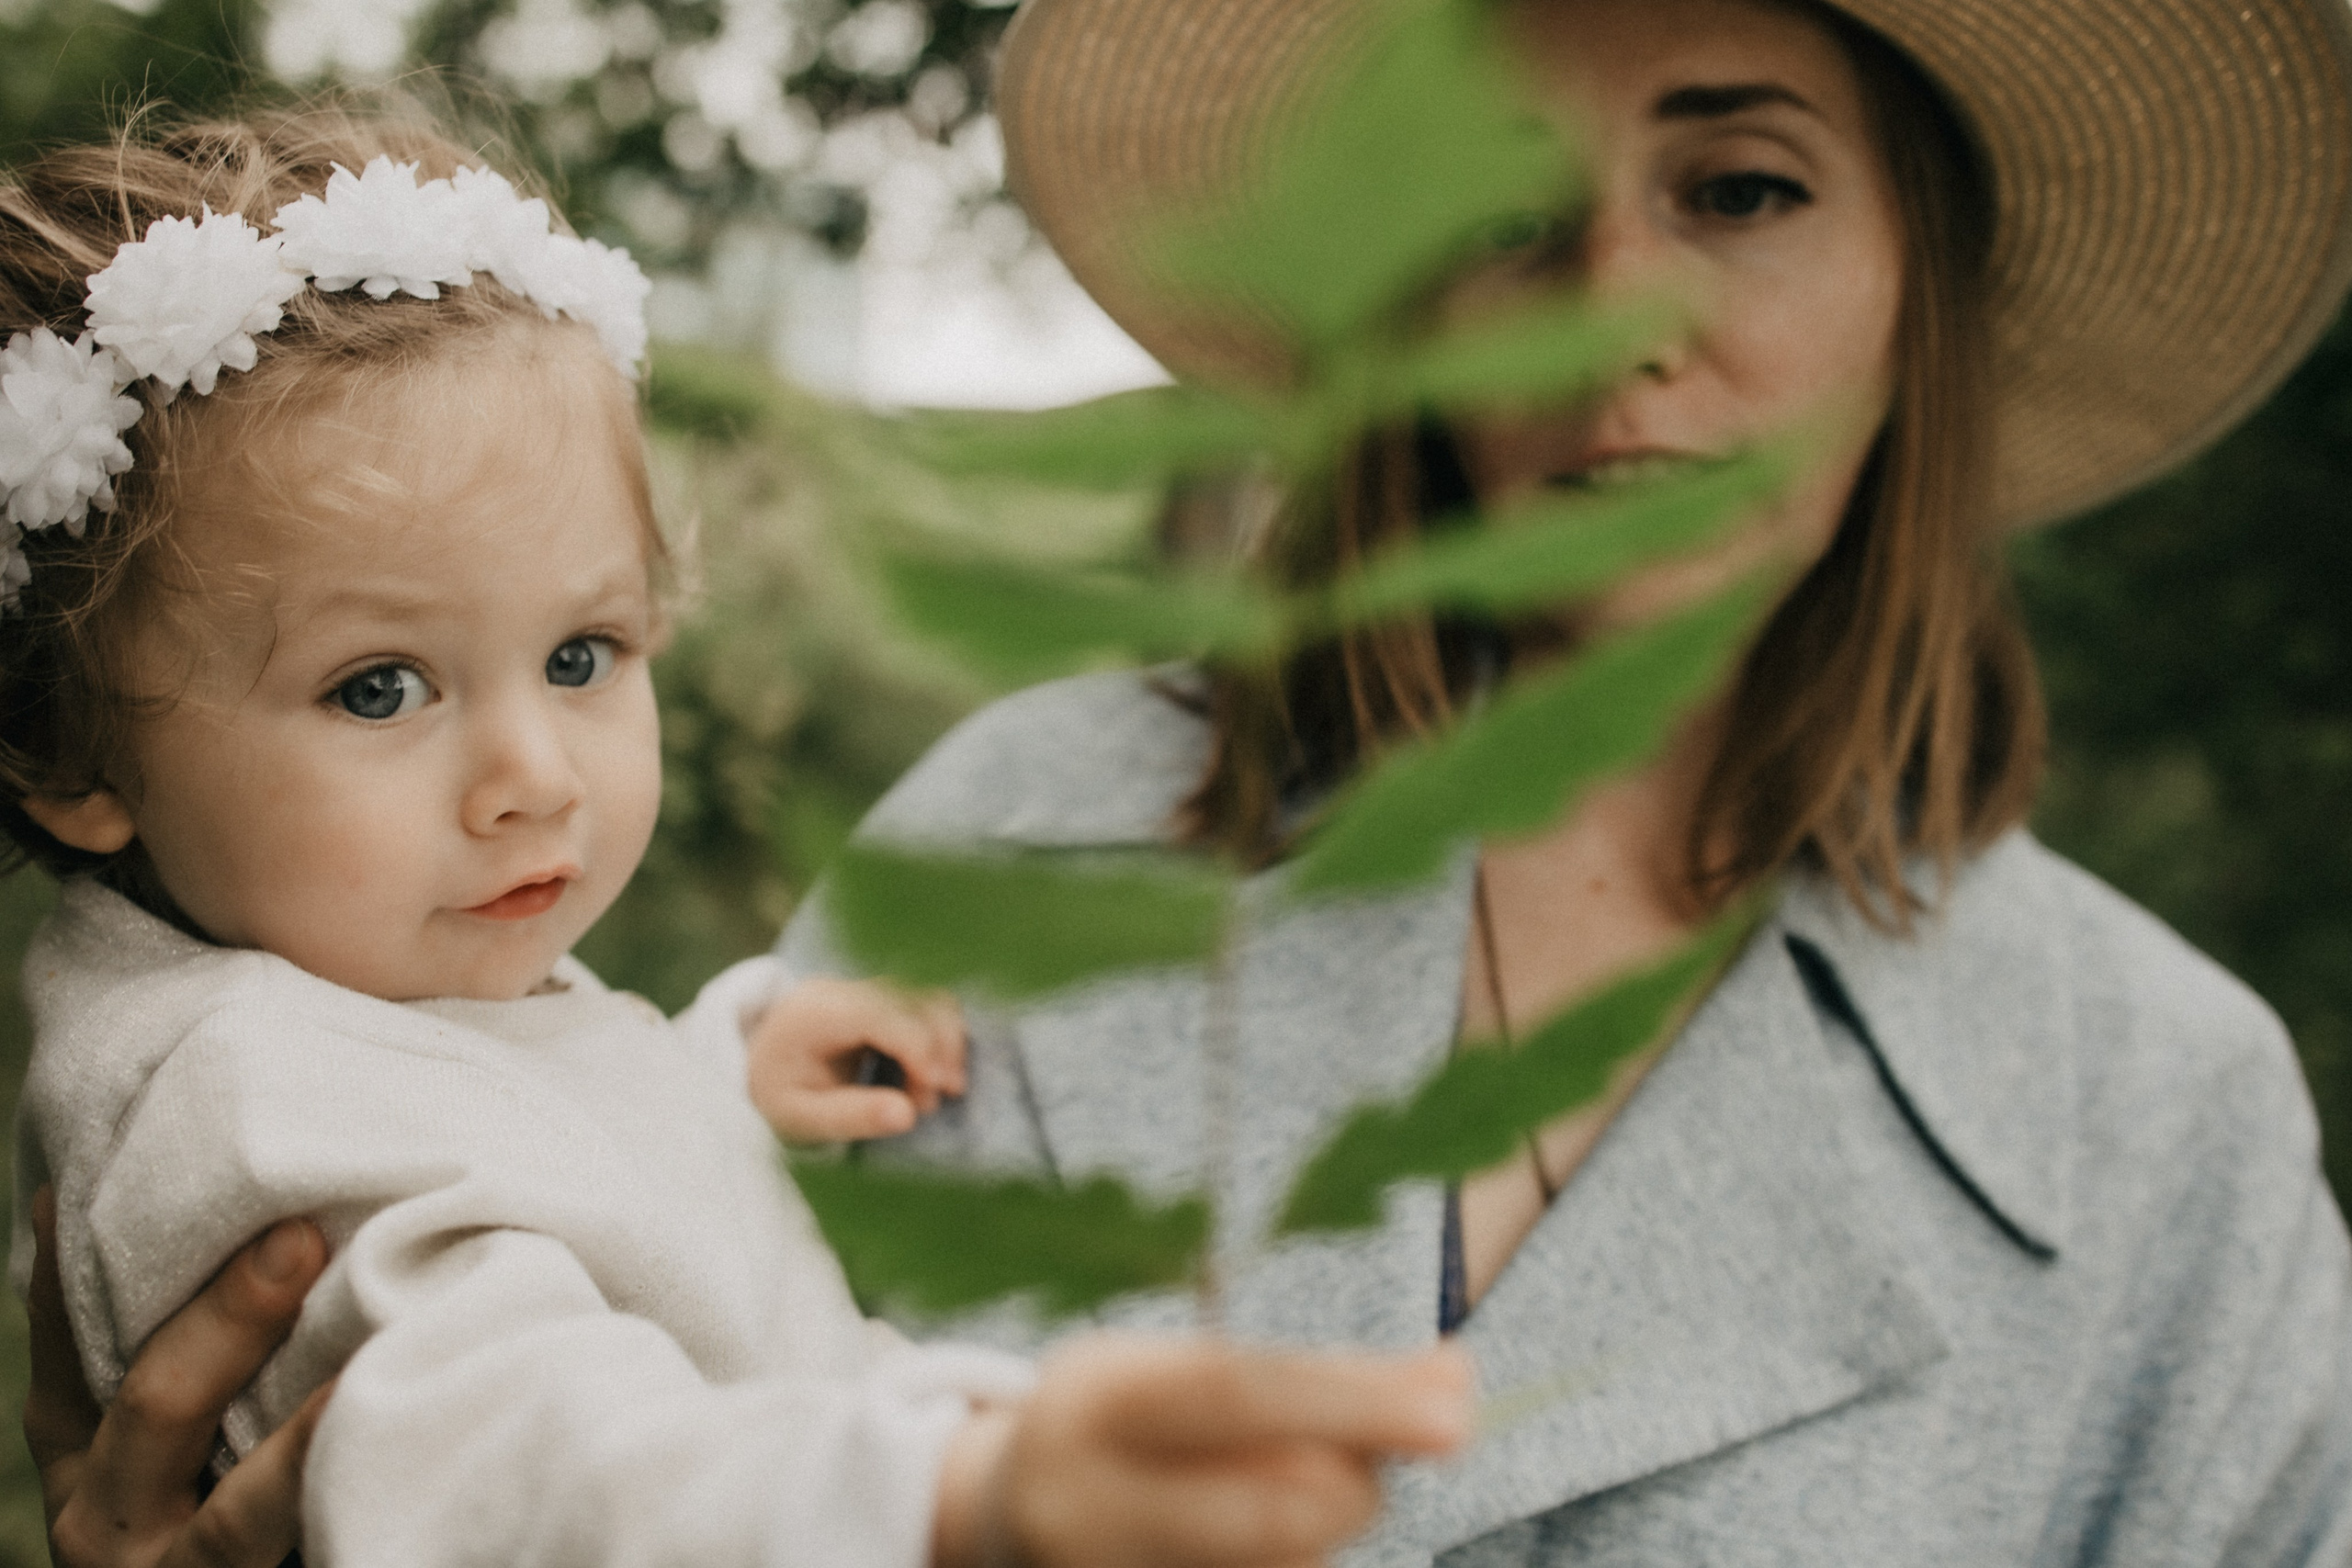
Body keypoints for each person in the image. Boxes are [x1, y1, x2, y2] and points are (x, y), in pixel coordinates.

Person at [28, 0, 2352, 1561]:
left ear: (1911, 277)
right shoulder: (1024, 835)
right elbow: (608, 1355)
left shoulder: (2163, 1128)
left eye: (1737, 188)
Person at [0, 107, 1470, 1568]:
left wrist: (711, 1081)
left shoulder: (350, 994)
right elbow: (528, 1467)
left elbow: (510, 1153)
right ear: (74, 752)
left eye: (583, 657)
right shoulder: (248, 1108)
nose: (532, 778)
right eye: (378, 688)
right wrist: (957, 1497)